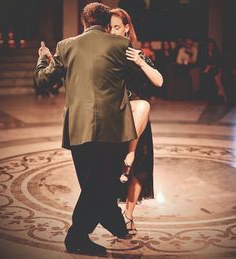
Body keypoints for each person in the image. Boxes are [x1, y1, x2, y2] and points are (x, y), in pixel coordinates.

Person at [35, 2, 143, 256]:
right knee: (98, 185)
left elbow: (42, 81)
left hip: (78, 129)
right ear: (107, 24)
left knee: (94, 184)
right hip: (112, 130)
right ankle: (78, 237)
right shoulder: (120, 45)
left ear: (83, 22)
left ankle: (112, 220)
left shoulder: (65, 46)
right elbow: (138, 80)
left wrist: (43, 59)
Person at [109, 8, 163, 235]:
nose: (112, 31)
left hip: (138, 121)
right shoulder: (104, 54)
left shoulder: (137, 54)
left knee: (137, 169)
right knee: (110, 169)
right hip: (113, 117)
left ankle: (129, 215)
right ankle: (109, 212)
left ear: (127, 28)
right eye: (109, 27)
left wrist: (141, 62)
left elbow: (159, 81)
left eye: (117, 27)